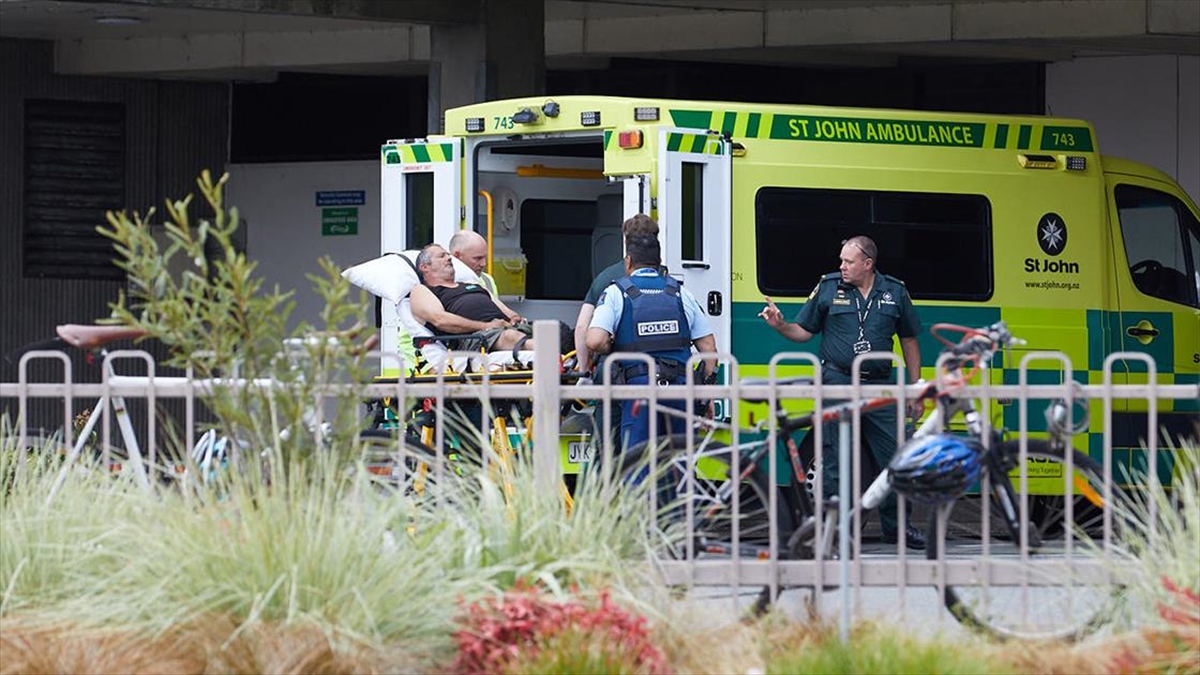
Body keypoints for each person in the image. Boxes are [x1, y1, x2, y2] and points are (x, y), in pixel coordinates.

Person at [758, 235, 926, 549]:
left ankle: (898, 528)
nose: (842, 266)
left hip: (880, 386)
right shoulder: (828, 287)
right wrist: (780, 325)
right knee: (835, 458)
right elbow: (803, 332)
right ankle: (835, 530)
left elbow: (909, 341)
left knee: (896, 457)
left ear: (868, 264)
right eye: (841, 260)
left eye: (848, 261)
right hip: (837, 382)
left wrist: (916, 388)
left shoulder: (894, 291)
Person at [586, 233, 717, 451]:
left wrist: (611, 346)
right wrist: (706, 394)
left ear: (628, 261)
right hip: (680, 392)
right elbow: (709, 349)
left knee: (638, 466)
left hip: (639, 392)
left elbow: (594, 340)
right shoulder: (681, 293)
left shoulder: (617, 292)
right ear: (658, 263)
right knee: (678, 465)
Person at [573, 214, 661, 372]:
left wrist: (584, 371)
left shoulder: (605, 278)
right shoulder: (669, 282)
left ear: (626, 240)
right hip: (665, 371)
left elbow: (581, 328)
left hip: (620, 371)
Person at [410, 243, 534, 354]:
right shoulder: (421, 291)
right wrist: (486, 326)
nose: (449, 258)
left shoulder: (474, 285)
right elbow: (440, 320)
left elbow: (507, 312)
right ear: (424, 267)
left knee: (542, 331)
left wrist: (514, 319)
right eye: (441, 256)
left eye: (448, 255)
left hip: (506, 329)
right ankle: (550, 355)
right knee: (510, 337)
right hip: (476, 338)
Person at [448, 229, 505, 303]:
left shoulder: (487, 280)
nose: (483, 264)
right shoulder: (440, 282)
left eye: (485, 257)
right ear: (457, 256)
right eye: (478, 258)